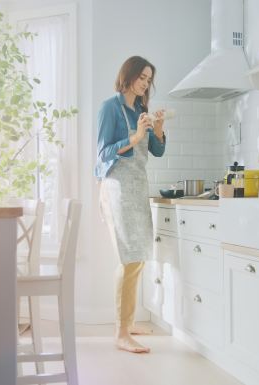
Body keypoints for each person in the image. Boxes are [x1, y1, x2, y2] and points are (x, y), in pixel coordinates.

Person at [94, 56, 166, 353]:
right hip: (117, 188)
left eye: (149, 79)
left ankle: (128, 322)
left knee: (138, 258)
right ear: (129, 75)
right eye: (142, 77)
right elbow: (102, 153)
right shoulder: (110, 108)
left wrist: (157, 127)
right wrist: (135, 136)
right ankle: (121, 333)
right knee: (129, 258)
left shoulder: (141, 110)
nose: (145, 83)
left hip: (138, 188)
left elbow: (158, 150)